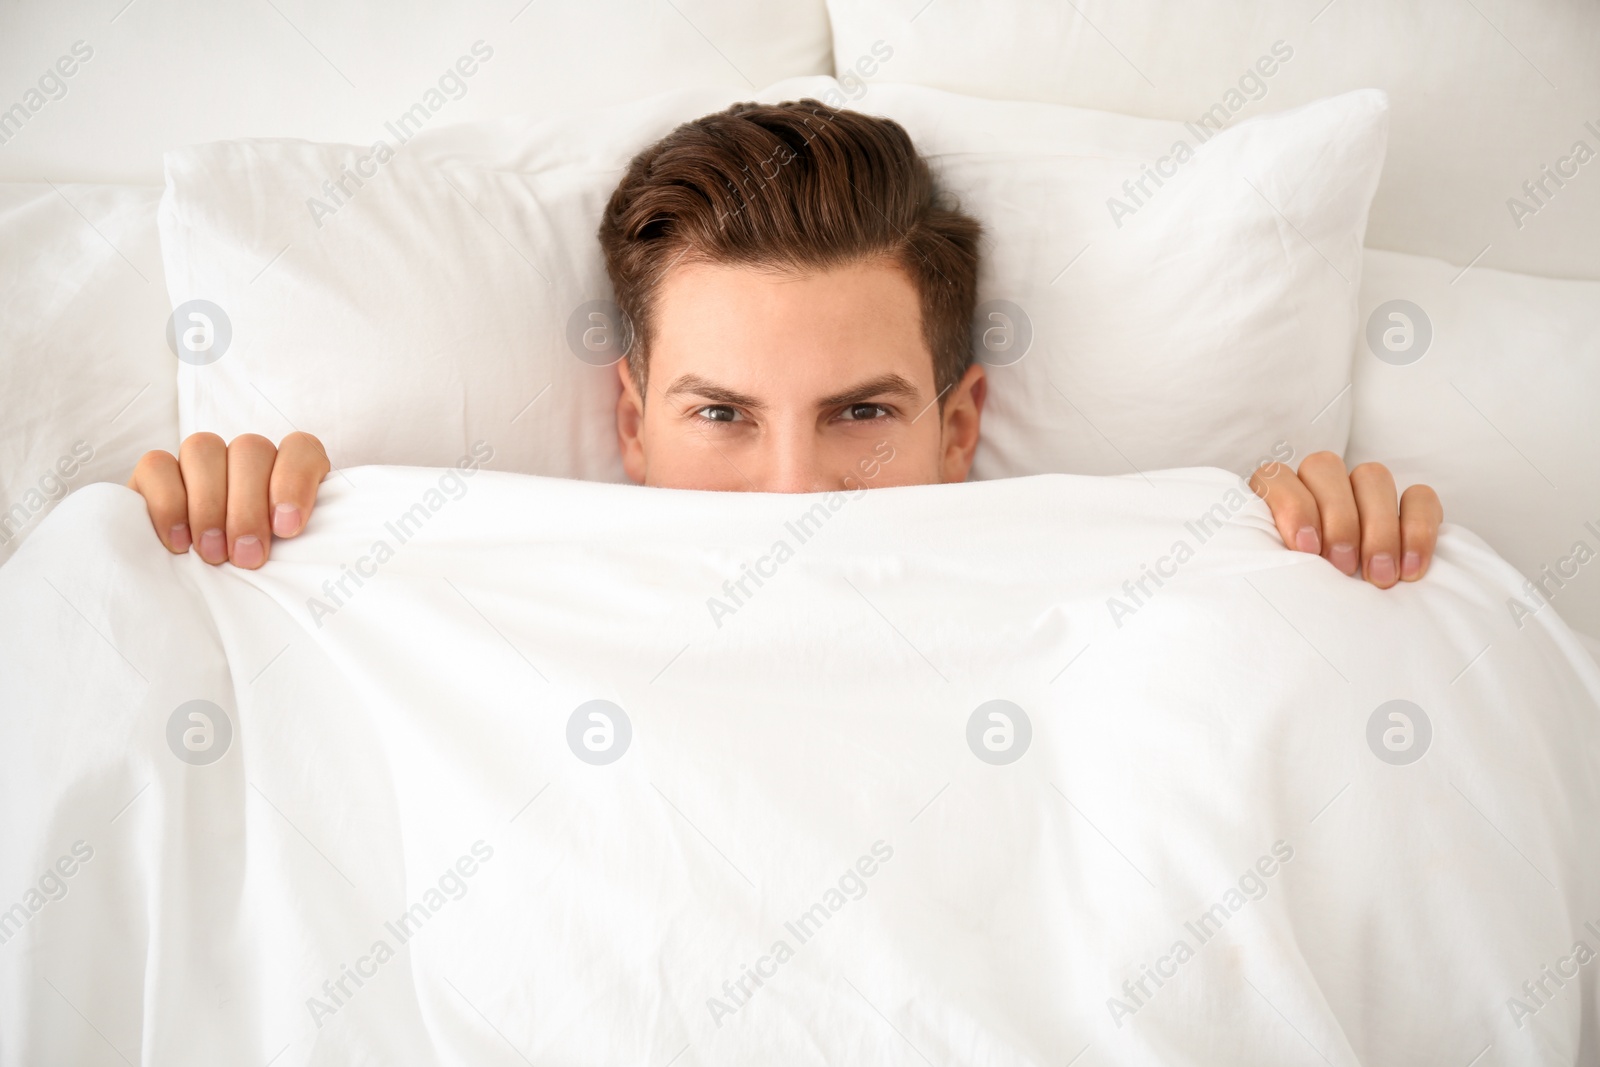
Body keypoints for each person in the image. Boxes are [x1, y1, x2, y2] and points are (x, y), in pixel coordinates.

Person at [128, 99, 1441, 588]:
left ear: (963, 421)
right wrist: (218, 552)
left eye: (863, 413)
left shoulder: (1130, 585)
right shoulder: (470, 577)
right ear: (630, 418)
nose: (793, 497)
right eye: (722, 414)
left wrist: (1307, 572)